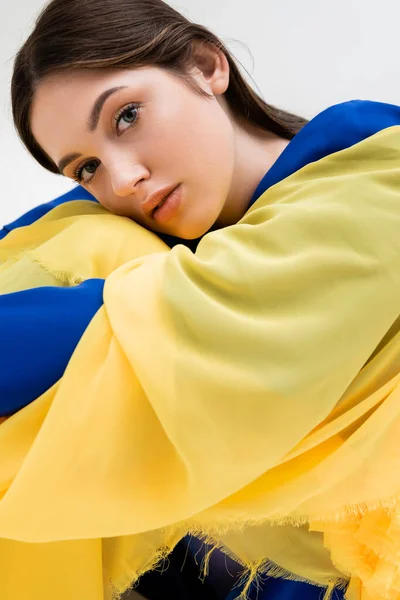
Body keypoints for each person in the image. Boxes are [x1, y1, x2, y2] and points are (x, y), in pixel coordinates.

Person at [2, 0, 400, 599]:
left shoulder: (374, 169)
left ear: (207, 66)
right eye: (86, 167)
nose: (122, 179)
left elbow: (193, 311)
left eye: (126, 116)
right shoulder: (134, 242)